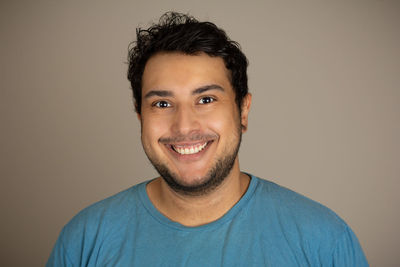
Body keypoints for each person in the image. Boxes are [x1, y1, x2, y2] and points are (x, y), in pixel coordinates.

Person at [47, 12, 368, 266]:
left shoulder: (323, 239)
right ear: (140, 117)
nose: (184, 126)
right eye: (162, 104)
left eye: (206, 100)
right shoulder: (85, 240)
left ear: (243, 110)